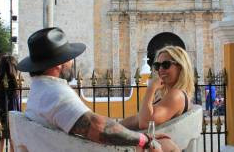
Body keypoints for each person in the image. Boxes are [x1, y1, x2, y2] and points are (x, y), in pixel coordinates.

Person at [17, 27, 179, 152]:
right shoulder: (55, 93)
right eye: (68, 58)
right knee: (165, 145)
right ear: (58, 64)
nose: (72, 62)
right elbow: (97, 127)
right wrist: (144, 139)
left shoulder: (39, 90)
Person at [120, 45, 195, 130]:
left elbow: (145, 123)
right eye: (157, 65)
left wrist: (151, 89)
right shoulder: (169, 95)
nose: (160, 69)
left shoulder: (176, 95)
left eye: (166, 65)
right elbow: (139, 118)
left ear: (181, 67)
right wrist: (115, 126)